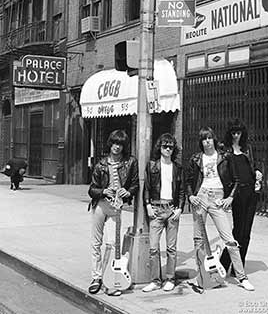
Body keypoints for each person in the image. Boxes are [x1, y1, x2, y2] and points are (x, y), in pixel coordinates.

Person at [185, 126, 255, 292]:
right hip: (201, 198)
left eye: (209, 138)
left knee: (229, 239)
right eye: (204, 139)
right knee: (198, 239)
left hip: (217, 199)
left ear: (213, 139)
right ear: (201, 142)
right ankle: (201, 273)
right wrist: (190, 196)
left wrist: (229, 198)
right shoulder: (196, 158)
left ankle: (241, 276)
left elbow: (236, 179)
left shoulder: (224, 157)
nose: (207, 142)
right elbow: (188, 180)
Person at [87, 129, 139, 296]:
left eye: (121, 144)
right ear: (110, 144)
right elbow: (91, 189)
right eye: (115, 143)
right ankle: (96, 277)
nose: (117, 147)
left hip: (116, 207)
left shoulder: (130, 162)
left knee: (112, 244)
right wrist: (103, 191)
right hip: (100, 205)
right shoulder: (100, 164)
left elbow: (135, 184)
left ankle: (109, 279)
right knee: (96, 243)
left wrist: (128, 192)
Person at [142, 133, 185, 292]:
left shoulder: (177, 167)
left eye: (171, 147)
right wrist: (147, 205)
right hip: (156, 208)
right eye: (165, 146)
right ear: (159, 147)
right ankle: (155, 280)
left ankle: (170, 279)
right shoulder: (152, 165)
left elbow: (181, 190)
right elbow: (146, 187)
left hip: (172, 209)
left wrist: (180, 207)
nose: (168, 149)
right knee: (153, 248)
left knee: (171, 248)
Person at [220, 119, 263, 275]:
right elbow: (224, 173)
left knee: (247, 232)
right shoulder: (226, 151)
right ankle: (224, 264)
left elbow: (255, 165)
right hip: (236, 194)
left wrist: (258, 172)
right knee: (238, 231)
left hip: (251, 193)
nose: (236, 136)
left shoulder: (248, 149)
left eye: (239, 132)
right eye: (233, 133)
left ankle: (239, 267)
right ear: (229, 133)